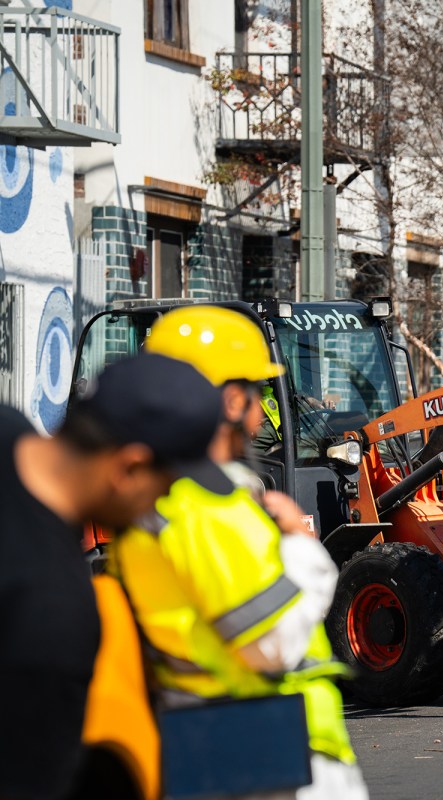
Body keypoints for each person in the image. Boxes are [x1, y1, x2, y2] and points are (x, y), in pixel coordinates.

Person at [113, 305, 366, 799]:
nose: (260, 411)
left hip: (228, 746)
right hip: (264, 756)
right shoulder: (202, 505)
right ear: (231, 400)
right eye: (259, 392)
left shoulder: (169, 500)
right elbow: (271, 640)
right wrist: (301, 545)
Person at [0, 353, 223, 800]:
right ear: (129, 469)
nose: (159, 506)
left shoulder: (6, 423)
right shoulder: (56, 615)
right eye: (165, 489)